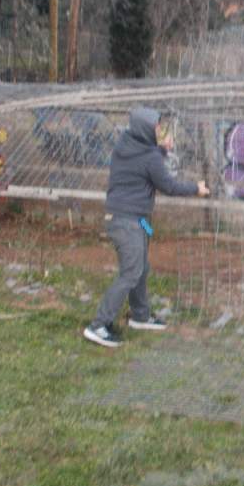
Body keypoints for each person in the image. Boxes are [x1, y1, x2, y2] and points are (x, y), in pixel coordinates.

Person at [84, 106, 209, 348]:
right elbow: (169, 186)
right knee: (131, 271)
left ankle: (140, 316)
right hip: (127, 221)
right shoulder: (150, 157)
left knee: (142, 265)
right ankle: (98, 325)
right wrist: (197, 188)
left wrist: (162, 149)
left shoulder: (126, 143)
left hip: (139, 220)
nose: (159, 130)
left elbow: (145, 160)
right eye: (156, 126)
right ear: (145, 129)